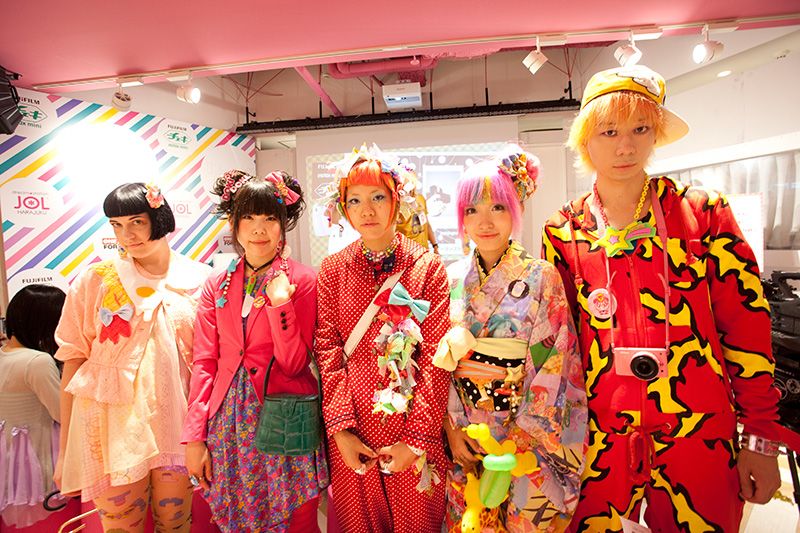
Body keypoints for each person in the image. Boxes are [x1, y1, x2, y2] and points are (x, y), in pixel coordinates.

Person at [541, 65, 782, 532]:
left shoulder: (702, 213)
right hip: (598, 440)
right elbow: (558, 351)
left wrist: (760, 439)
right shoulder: (563, 231)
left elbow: (747, 329)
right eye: (609, 131)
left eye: (640, 129)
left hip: (699, 435)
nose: (625, 146)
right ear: (585, 139)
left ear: (655, 135)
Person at [434, 151, 587, 532]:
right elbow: (442, 365)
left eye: (498, 207)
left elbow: (556, 362)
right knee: (471, 519)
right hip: (468, 433)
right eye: (472, 210)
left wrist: (517, 439)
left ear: (516, 209)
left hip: (526, 438)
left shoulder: (541, 276)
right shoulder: (451, 278)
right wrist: (453, 428)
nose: (484, 221)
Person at [54, 182, 210, 532]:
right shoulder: (96, 280)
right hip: (112, 432)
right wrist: (65, 451)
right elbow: (73, 359)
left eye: (137, 222)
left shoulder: (201, 279)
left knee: (176, 524)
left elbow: (209, 364)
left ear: (160, 218)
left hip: (179, 428)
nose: (127, 235)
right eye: (117, 225)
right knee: (120, 528)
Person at [182, 170, 327, 532]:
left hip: (285, 416)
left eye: (269, 218)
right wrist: (195, 436)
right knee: (238, 516)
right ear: (234, 223)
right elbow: (204, 362)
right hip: (228, 420)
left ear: (283, 224)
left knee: (297, 517)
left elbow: (294, 363)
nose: (259, 229)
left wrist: (281, 305)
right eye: (248, 217)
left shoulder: (302, 280)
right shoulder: (216, 284)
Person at [316, 144, 451, 532]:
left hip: (413, 435)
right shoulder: (332, 270)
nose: (367, 210)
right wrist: (341, 431)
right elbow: (327, 350)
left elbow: (436, 360)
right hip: (353, 435)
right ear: (343, 208)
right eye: (355, 200)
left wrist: (417, 439)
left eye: (377, 197)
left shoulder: (427, 268)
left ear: (397, 200)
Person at [0, 284, 66, 529]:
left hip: (10, 456)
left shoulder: (5, 354)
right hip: (39, 454)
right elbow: (62, 413)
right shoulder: (37, 361)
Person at [396, 187, 440, 254]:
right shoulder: (396, 202)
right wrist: (403, 200)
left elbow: (426, 224)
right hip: (406, 252)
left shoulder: (420, 198)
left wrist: (435, 245)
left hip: (423, 250)